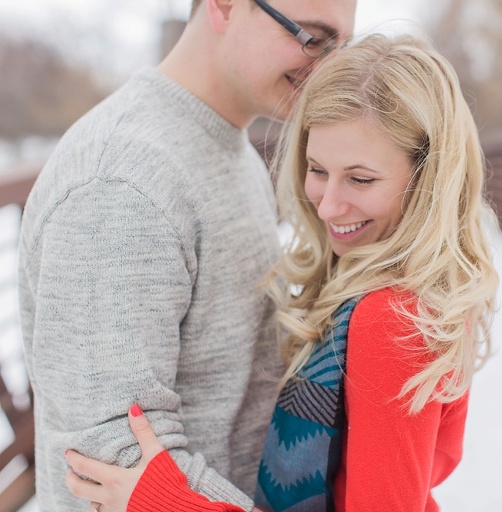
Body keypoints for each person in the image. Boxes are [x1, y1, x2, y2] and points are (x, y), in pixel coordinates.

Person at [64, 32, 499, 511]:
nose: (329, 206)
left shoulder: (392, 319)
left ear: (429, 179)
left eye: (360, 178)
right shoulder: (405, 284)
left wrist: (165, 502)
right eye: (317, 169)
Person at [17, 0, 355, 510]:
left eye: (340, 48)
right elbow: (117, 463)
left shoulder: (230, 147)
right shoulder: (121, 184)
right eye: (312, 39)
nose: (328, 69)